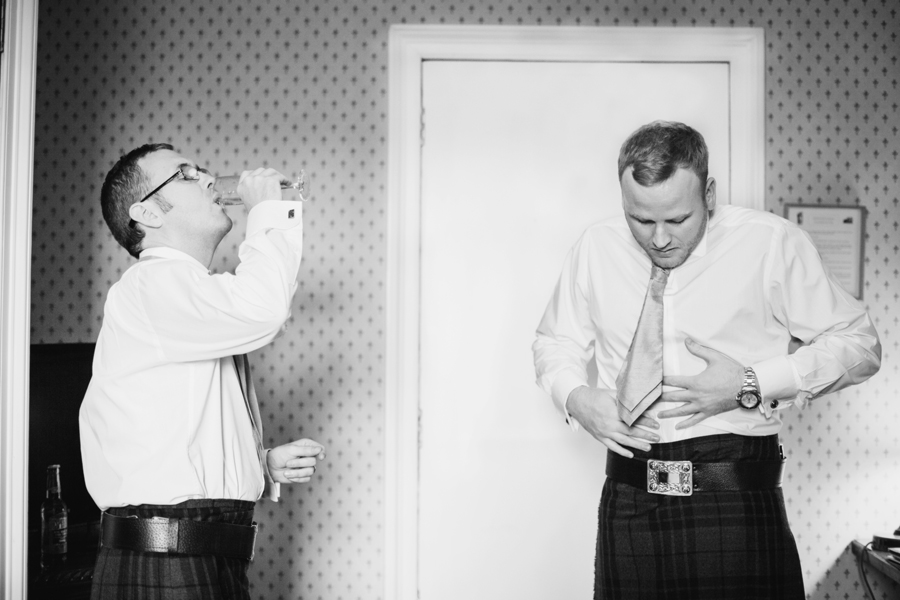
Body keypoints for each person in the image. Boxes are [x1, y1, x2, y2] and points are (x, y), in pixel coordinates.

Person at [532, 121, 881, 599]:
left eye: (676, 220)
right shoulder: (595, 247)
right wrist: (577, 396)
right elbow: (555, 341)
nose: (658, 239)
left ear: (709, 193)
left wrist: (753, 381)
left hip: (735, 499)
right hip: (629, 498)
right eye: (640, 219)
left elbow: (860, 342)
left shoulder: (770, 243)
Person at [79, 142, 323, 600]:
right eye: (186, 174)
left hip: (202, 554)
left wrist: (259, 464)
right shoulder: (152, 285)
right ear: (147, 213)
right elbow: (263, 309)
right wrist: (268, 210)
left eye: (201, 169)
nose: (210, 178)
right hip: (168, 557)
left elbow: (177, 430)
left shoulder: (192, 297)